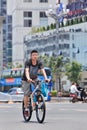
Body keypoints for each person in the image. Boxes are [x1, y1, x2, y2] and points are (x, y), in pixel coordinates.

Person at [22, 50, 50, 116]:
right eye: (33, 55)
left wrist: (46, 78)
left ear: (37, 56)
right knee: (27, 94)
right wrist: (28, 78)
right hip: (26, 79)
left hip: (35, 78)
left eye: (36, 55)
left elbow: (43, 71)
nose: (35, 56)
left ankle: (37, 102)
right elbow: (26, 71)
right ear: (31, 56)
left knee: (39, 90)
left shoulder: (39, 62)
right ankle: (26, 108)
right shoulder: (28, 62)